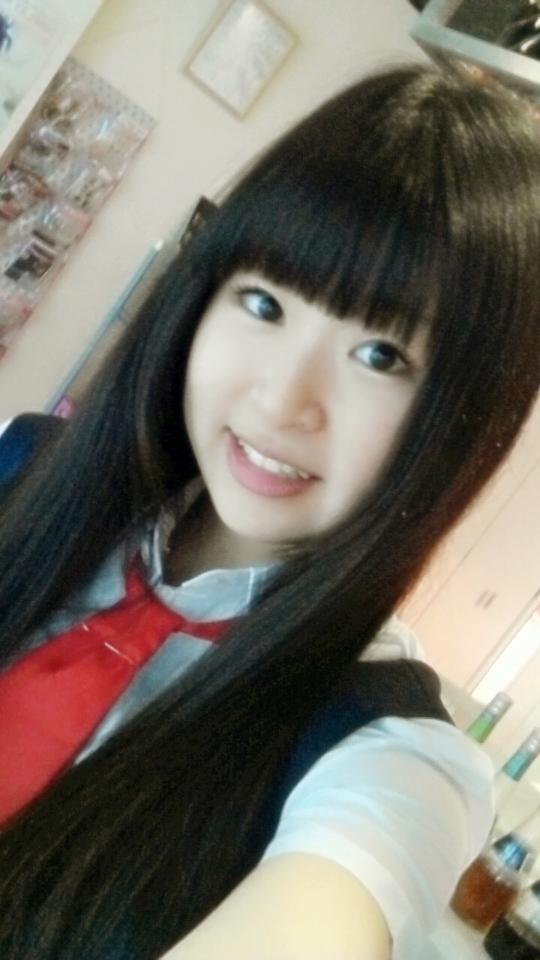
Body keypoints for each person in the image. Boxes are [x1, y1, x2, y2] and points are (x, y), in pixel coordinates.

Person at [0, 60, 539, 960]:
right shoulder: (23, 469)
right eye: (263, 302)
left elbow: (328, 903)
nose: (282, 400)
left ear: (468, 417)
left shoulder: (393, 756)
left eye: (382, 356)